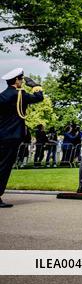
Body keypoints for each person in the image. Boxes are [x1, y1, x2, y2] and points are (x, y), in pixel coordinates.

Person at [0, 68, 45, 208]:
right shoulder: (19, 94)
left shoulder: (2, 95)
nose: (22, 82)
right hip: (11, 137)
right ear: (17, 80)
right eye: (21, 79)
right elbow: (39, 97)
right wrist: (35, 86)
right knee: (4, 167)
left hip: (1, 134)